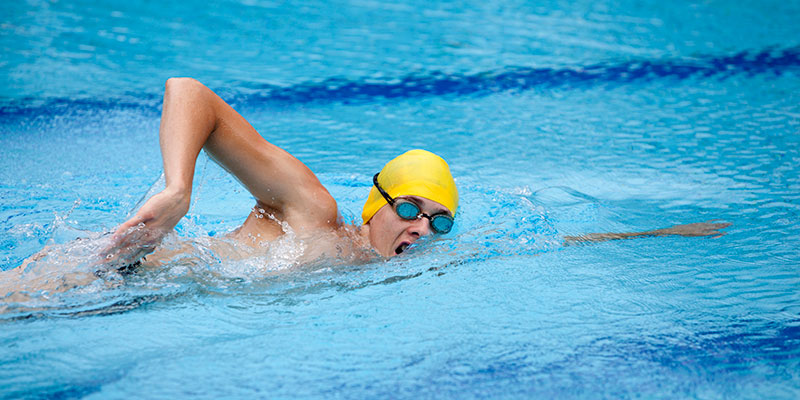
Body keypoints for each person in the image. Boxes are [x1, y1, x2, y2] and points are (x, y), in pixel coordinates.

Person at [2, 78, 730, 297]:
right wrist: (177, 188)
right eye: (411, 208)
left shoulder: (400, 259)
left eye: (437, 221)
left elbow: (531, 246)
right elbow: (191, 93)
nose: (420, 229)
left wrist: (660, 235)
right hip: (119, 271)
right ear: (377, 203)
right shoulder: (310, 211)